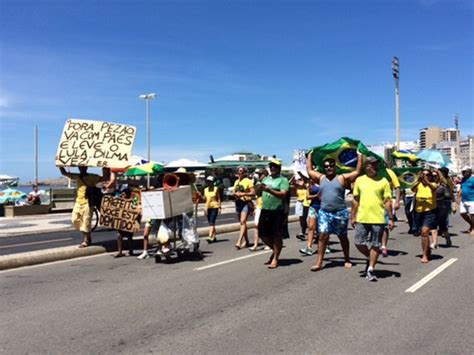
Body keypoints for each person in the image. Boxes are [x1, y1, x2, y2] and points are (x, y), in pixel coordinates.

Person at [306, 150, 363, 272]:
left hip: (340, 213)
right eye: (326, 166)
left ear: (335, 167)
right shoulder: (321, 178)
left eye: (331, 166)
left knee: (342, 237)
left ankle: (347, 258)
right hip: (324, 212)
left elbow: (357, 172)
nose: (329, 168)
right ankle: (319, 262)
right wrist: (310, 156)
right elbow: (310, 171)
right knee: (322, 236)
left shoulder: (341, 178)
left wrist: (359, 156)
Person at [351, 156, 394, 281]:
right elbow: (356, 199)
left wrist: (391, 218)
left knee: (376, 244)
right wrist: (352, 216)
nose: (375, 167)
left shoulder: (384, 181)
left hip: (378, 219)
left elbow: (387, 201)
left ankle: (370, 269)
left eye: (376, 165)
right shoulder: (360, 180)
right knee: (358, 242)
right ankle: (370, 257)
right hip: (362, 218)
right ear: (366, 166)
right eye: (372, 164)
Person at [59, 166, 105, 248]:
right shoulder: (77, 176)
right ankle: (88, 236)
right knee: (75, 219)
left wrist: (105, 168)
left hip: (88, 202)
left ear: (86, 168)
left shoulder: (92, 177)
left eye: (83, 168)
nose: (81, 169)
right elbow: (64, 173)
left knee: (86, 222)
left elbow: (104, 178)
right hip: (78, 202)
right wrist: (60, 165)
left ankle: (86, 240)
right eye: (80, 168)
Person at [258, 159, 289, 269]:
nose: (272, 168)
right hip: (265, 209)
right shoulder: (266, 178)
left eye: (275, 166)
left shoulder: (283, 180)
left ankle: (275, 258)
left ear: (279, 168)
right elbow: (259, 192)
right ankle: (276, 249)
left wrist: (269, 190)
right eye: (271, 166)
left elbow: (283, 194)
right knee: (262, 234)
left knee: (276, 235)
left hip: (277, 210)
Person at [412, 168, 437, 263]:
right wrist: (419, 180)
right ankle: (427, 249)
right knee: (421, 233)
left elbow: (433, 188)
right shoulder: (418, 184)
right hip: (418, 211)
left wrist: (427, 181)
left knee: (424, 232)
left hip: (430, 211)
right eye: (424, 174)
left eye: (428, 175)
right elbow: (412, 189)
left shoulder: (433, 184)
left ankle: (425, 255)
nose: (425, 176)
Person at [233, 166, 255, 249]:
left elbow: (253, 193)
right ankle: (246, 240)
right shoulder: (236, 182)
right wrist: (235, 194)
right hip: (238, 203)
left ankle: (239, 241)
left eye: (241, 171)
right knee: (242, 223)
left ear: (245, 172)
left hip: (245, 203)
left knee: (243, 221)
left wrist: (243, 194)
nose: (239, 172)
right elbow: (234, 191)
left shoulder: (248, 181)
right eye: (238, 171)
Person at [380, 168, 401, 257]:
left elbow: (397, 187)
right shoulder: (371, 172)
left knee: (385, 225)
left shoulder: (389, 172)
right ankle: (376, 244)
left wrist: (397, 201)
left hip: (386, 202)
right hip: (373, 203)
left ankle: (384, 246)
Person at [431, 169, 452, 247]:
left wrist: (452, 205)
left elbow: (449, 195)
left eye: (435, 176)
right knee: (433, 224)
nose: (434, 177)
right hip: (432, 206)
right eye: (432, 176)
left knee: (442, 226)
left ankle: (447, 238)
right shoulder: (429, 184)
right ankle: (434, 242)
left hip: (442, 206)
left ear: (439, 176)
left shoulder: (443, 185)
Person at [114, 188, 138, 258]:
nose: (123, 195)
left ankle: (131, 250)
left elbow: (136, 207)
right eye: (122, 194)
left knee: (130, 237)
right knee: (119, 236)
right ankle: (120, 252)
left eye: (124, 194)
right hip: (122, 221)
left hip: (130, 221)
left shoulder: (134, 200)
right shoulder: (120, 200)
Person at [299, 180, 321, 256]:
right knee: (311, 227)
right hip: (313, 207)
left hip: (323, 208)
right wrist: (316, 196)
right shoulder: (310, 185)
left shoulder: (324, 182)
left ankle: (325, 246)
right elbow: (307, 197)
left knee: (322, 229)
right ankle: (309, 247)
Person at [249, 168, 269, 251]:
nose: (259, 175)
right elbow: (256, 193)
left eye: (260, 174)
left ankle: (268, 243)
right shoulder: (257, 183)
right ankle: (255, 244)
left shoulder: (268, 183)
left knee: (265, 226)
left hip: (266, 206)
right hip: (259, 206)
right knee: (256, 225)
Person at [203, 176, 221, 243]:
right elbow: (204, 199)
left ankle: (210, 236)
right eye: (208, 181)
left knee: (211, 223)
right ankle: (214, 236)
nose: (209, 183)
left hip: (214, 207)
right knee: (211, 223)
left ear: (213, 182)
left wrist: (219, 207)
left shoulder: (216, 189)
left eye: (210, 181)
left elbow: (218, 198)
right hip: (207, 207)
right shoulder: (205, 189)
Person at [457, 166, 474, 236]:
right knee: (462, 213)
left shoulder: (473, 179)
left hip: (472, 200)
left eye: (464, 172)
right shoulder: (463, 179)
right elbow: (461, 188)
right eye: (462, 172)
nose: (463, 173)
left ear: (469, 172)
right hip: (464, 200)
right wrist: (458, 197)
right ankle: (471, 225)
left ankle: (473, 228)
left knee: (472, 215)